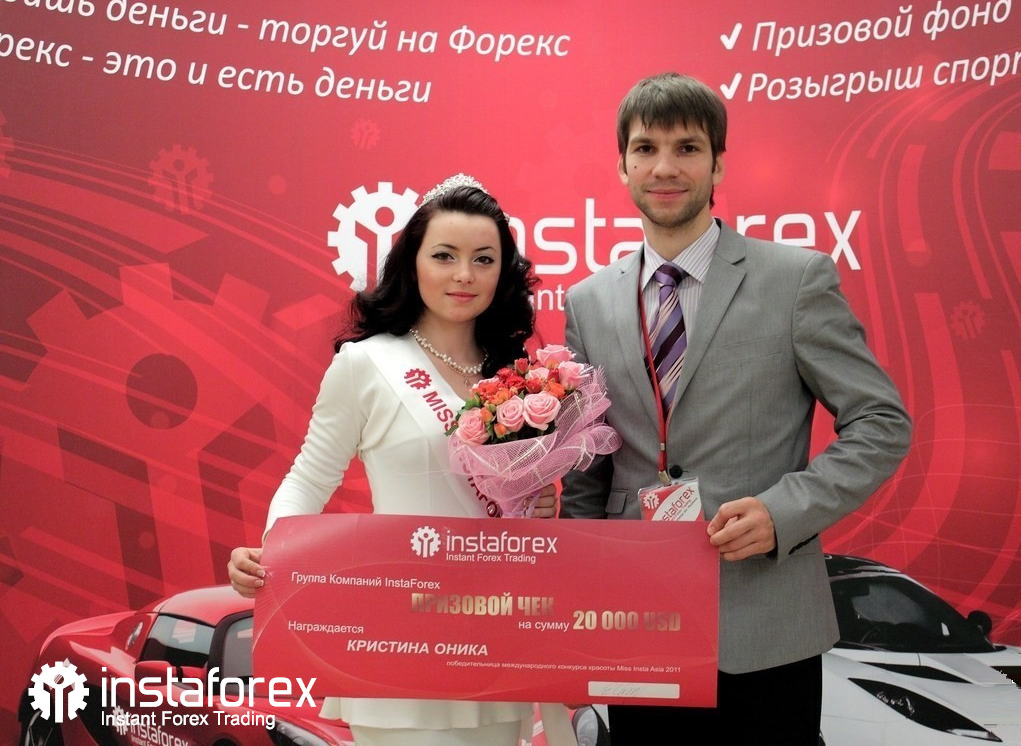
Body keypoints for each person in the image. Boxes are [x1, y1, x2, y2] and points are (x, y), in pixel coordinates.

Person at [559, 73, 912, 744]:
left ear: (718, 164)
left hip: (764, 620)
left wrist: (784, 511)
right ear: (622, 165)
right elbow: (588, 470)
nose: (665, 168)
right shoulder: (587, 301)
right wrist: (578, 607)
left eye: (687, 148)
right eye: (645, 149)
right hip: (638, 625)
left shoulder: (795, 279)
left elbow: (881, 424)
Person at [229, 175, 559, 746]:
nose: (464, 274)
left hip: (496, 637)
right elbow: (309, 477)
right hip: (399, 637)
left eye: (484, 259)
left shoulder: (520, 379)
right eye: (444, 255)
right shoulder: (366, 364)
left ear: (503, 273)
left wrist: (538, 505)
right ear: (412, 263)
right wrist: (272, 554)